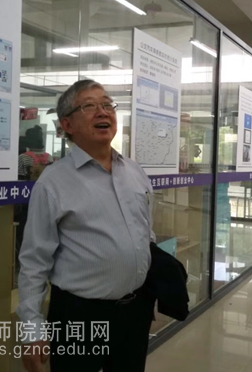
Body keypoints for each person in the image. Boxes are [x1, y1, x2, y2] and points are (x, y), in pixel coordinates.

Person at [17, 79, 156, 372]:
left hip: (135, 311)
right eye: (90, 106)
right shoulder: (53, 182)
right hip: (80, 316)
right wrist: (32, 328)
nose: (103, 112)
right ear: (67, 124)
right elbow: (34, 262)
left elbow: (146, 233)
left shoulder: (135, 172)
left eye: (107, 104)